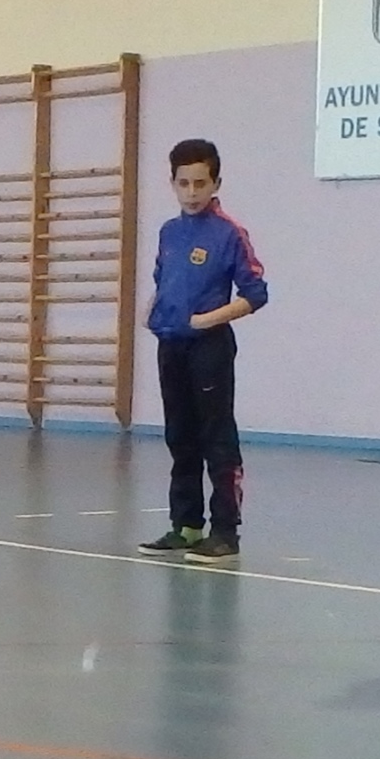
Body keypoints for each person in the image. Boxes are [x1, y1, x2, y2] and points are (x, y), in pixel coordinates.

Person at [134, 139, 268, 565]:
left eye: (200, 183)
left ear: (216, 183)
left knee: (216, 437)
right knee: (180, 435)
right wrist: (151, 310)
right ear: (172, 184)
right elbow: (163, 278)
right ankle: (186, 525)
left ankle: (225, 530)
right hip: (170, 344)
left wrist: (206, 320)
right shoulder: (169, 232)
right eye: (183, 183)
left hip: (209, 346)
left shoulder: (229, 233)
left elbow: (255, 294)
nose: (191, 192)